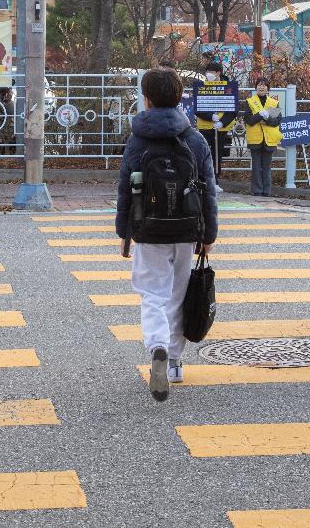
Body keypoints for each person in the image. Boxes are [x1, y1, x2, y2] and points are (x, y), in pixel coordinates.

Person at [116, 67, 218, 401]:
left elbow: (124, 188)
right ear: (180, 97)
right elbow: (209, 190)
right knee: (178, 292)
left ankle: (157, 344)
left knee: (152, 293)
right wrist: (209, 233)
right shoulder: (194, 138)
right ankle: (174, 362)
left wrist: (123, 232)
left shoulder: (138, 138)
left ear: (146, 99)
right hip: (187, 228)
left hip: (148, 228)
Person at [191, 61, 237, 190]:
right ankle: (203, 179)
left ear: (218, 73)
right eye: (207, 72)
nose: (208, 74)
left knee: (217, 155)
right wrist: (210, 116)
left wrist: (223, 121)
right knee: (203, 154)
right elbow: (197, 107)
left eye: (211, 72)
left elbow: (233, 109)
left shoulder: (228, 87)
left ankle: (215, 180)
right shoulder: (202, 86)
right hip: (205, 126)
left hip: (221, 128)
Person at [243, 78, 281, 196]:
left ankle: (267, 191)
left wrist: (267, 119)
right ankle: (257, 191)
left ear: (268, 88)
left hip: (269, 139)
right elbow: (249, 120)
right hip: (255, 138)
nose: (262, 87)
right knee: (256, 167)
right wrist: (259, 115)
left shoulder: (274, 102)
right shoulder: (249, 101)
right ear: (256, 87)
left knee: (266, 167)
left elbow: (277, 121)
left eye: (264, 85)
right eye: (259, 85)